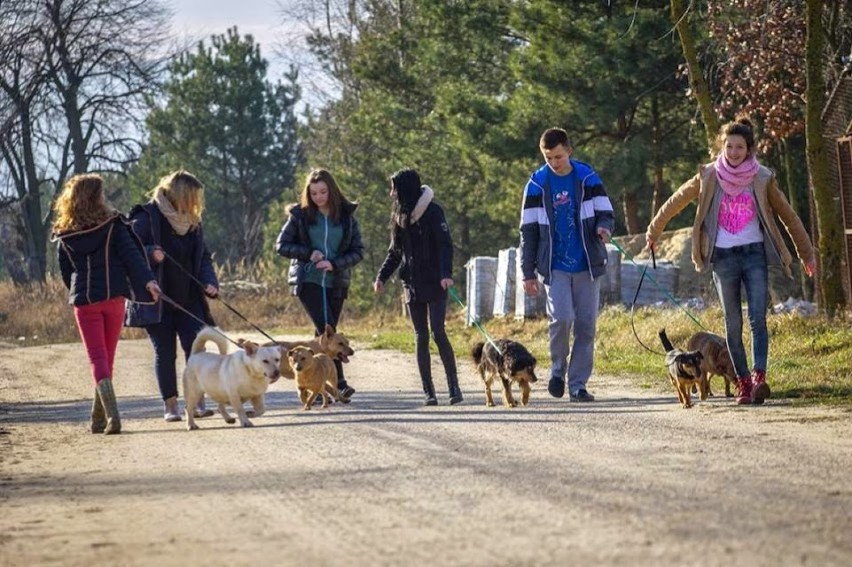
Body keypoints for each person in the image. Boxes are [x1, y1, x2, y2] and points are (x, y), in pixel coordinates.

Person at [645, 115, 815, 405]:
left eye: (739, 147)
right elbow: (676, 200)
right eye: (729, 146)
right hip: (723, 259)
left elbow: (789, 216)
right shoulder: (709, 175)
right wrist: (654, 231)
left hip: (754, 255)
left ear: (749, 149)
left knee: (757, 319)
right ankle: (744, 382)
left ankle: (760, 377)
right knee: (732, 324)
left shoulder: (762, 178)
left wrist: (807, 254)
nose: (734, 152)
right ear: (721, 147)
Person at [52, 173, 161, 435]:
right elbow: (132, 256)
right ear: (96, 197)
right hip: (113, 298)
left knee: (97, 358)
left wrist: (79, 293)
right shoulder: (114, 225)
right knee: (107, 358)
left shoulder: (65, 234)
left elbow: (67, 273)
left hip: (85, 302)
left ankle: (101, 418)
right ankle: (106, 417)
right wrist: (148, 282)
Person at [520, 128, 615, 403]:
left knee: (586, 325)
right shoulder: (537, 184)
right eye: (548, 158)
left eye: (558, 157)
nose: (554, 163)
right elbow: (528, 231)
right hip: (554, 265)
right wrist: (528, 272)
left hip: (588, 263)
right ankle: (558, 372)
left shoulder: (587, 178)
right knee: (561, 319)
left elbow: (606, 212)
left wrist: (604, 227)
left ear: (569, 151)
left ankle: (578, 385)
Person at [124, 170, 219, 421]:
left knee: (196, 350)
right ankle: (171, 406)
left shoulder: (192, 223)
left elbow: (203, 257)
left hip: (189, 299)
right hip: (157, 301)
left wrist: (210, 282)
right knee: (165, 353)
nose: (196, 204)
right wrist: (150, 252)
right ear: (179, 195)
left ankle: (197, 402)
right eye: (192, 198)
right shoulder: (146, 218)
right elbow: (127, 251)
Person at [373, 168, 463, 406]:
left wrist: (446, 274)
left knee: (438, 332)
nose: (391, 193)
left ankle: (454, 386)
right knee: (420, 336)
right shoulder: (399, 215)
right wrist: (382, 276)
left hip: (435, 280)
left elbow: (445, 245)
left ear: (404, 188)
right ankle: (428, 392)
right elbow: (395, 251)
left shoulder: (433, 212)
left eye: (394, 188)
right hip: (411, 283)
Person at [275, 168, 363, 402]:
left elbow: (358, 252)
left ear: (332, 191)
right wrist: (308, 253)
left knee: (323, 335)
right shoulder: (300, 216)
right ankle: (340, 385)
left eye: (323, 192)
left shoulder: (346, 217)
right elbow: (282, 245)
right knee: (328, 331)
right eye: (313, 193)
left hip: (336, 281)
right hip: (309, 280)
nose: (319, 197)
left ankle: (318, 384)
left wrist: (334, 264)